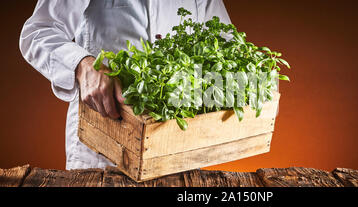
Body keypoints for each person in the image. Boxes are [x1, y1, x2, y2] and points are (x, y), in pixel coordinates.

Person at [19, 0, 231, 170]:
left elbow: (225, 43)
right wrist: (83, 66)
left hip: (178, 146)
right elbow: (38, 32)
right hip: (102, 149)